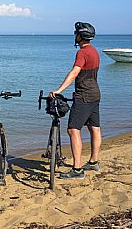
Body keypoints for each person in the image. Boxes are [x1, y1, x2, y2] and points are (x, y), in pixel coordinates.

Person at [50, 22, 102, 179]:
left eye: (76, 33)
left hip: (84, 96)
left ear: (81, 36)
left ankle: (77, 169)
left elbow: (74, 73)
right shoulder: (94, 51)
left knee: (73, 130)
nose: (75, 35)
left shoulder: (83, 53)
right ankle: (94, 162)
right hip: (95, 94)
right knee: (95, 128)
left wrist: (59, 90)